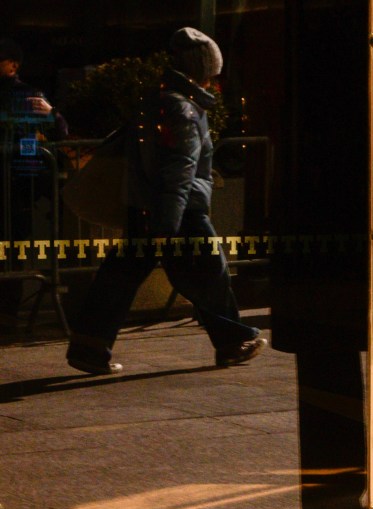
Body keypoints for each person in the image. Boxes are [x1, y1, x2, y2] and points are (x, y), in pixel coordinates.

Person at [66, 27, 265, 374]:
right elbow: (180, 169)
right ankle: (233, 341)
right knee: (208, 274)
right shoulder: (183, 110)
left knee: (122, 275)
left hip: (149, 205)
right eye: (213, 74)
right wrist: (168, 224)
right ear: (202, 69)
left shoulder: (160, 100)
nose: (214, 82)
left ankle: (89, 346)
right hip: (180, 210)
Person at [0, 38, 68, 332]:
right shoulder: (25, 94)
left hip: (16, 185)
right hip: (17, 183)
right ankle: (7, 313)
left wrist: (51, 115)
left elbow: (59, 130)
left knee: (11, 248)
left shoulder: (27, 95)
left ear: (13, 64)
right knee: (11, 249)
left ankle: (7, 313)